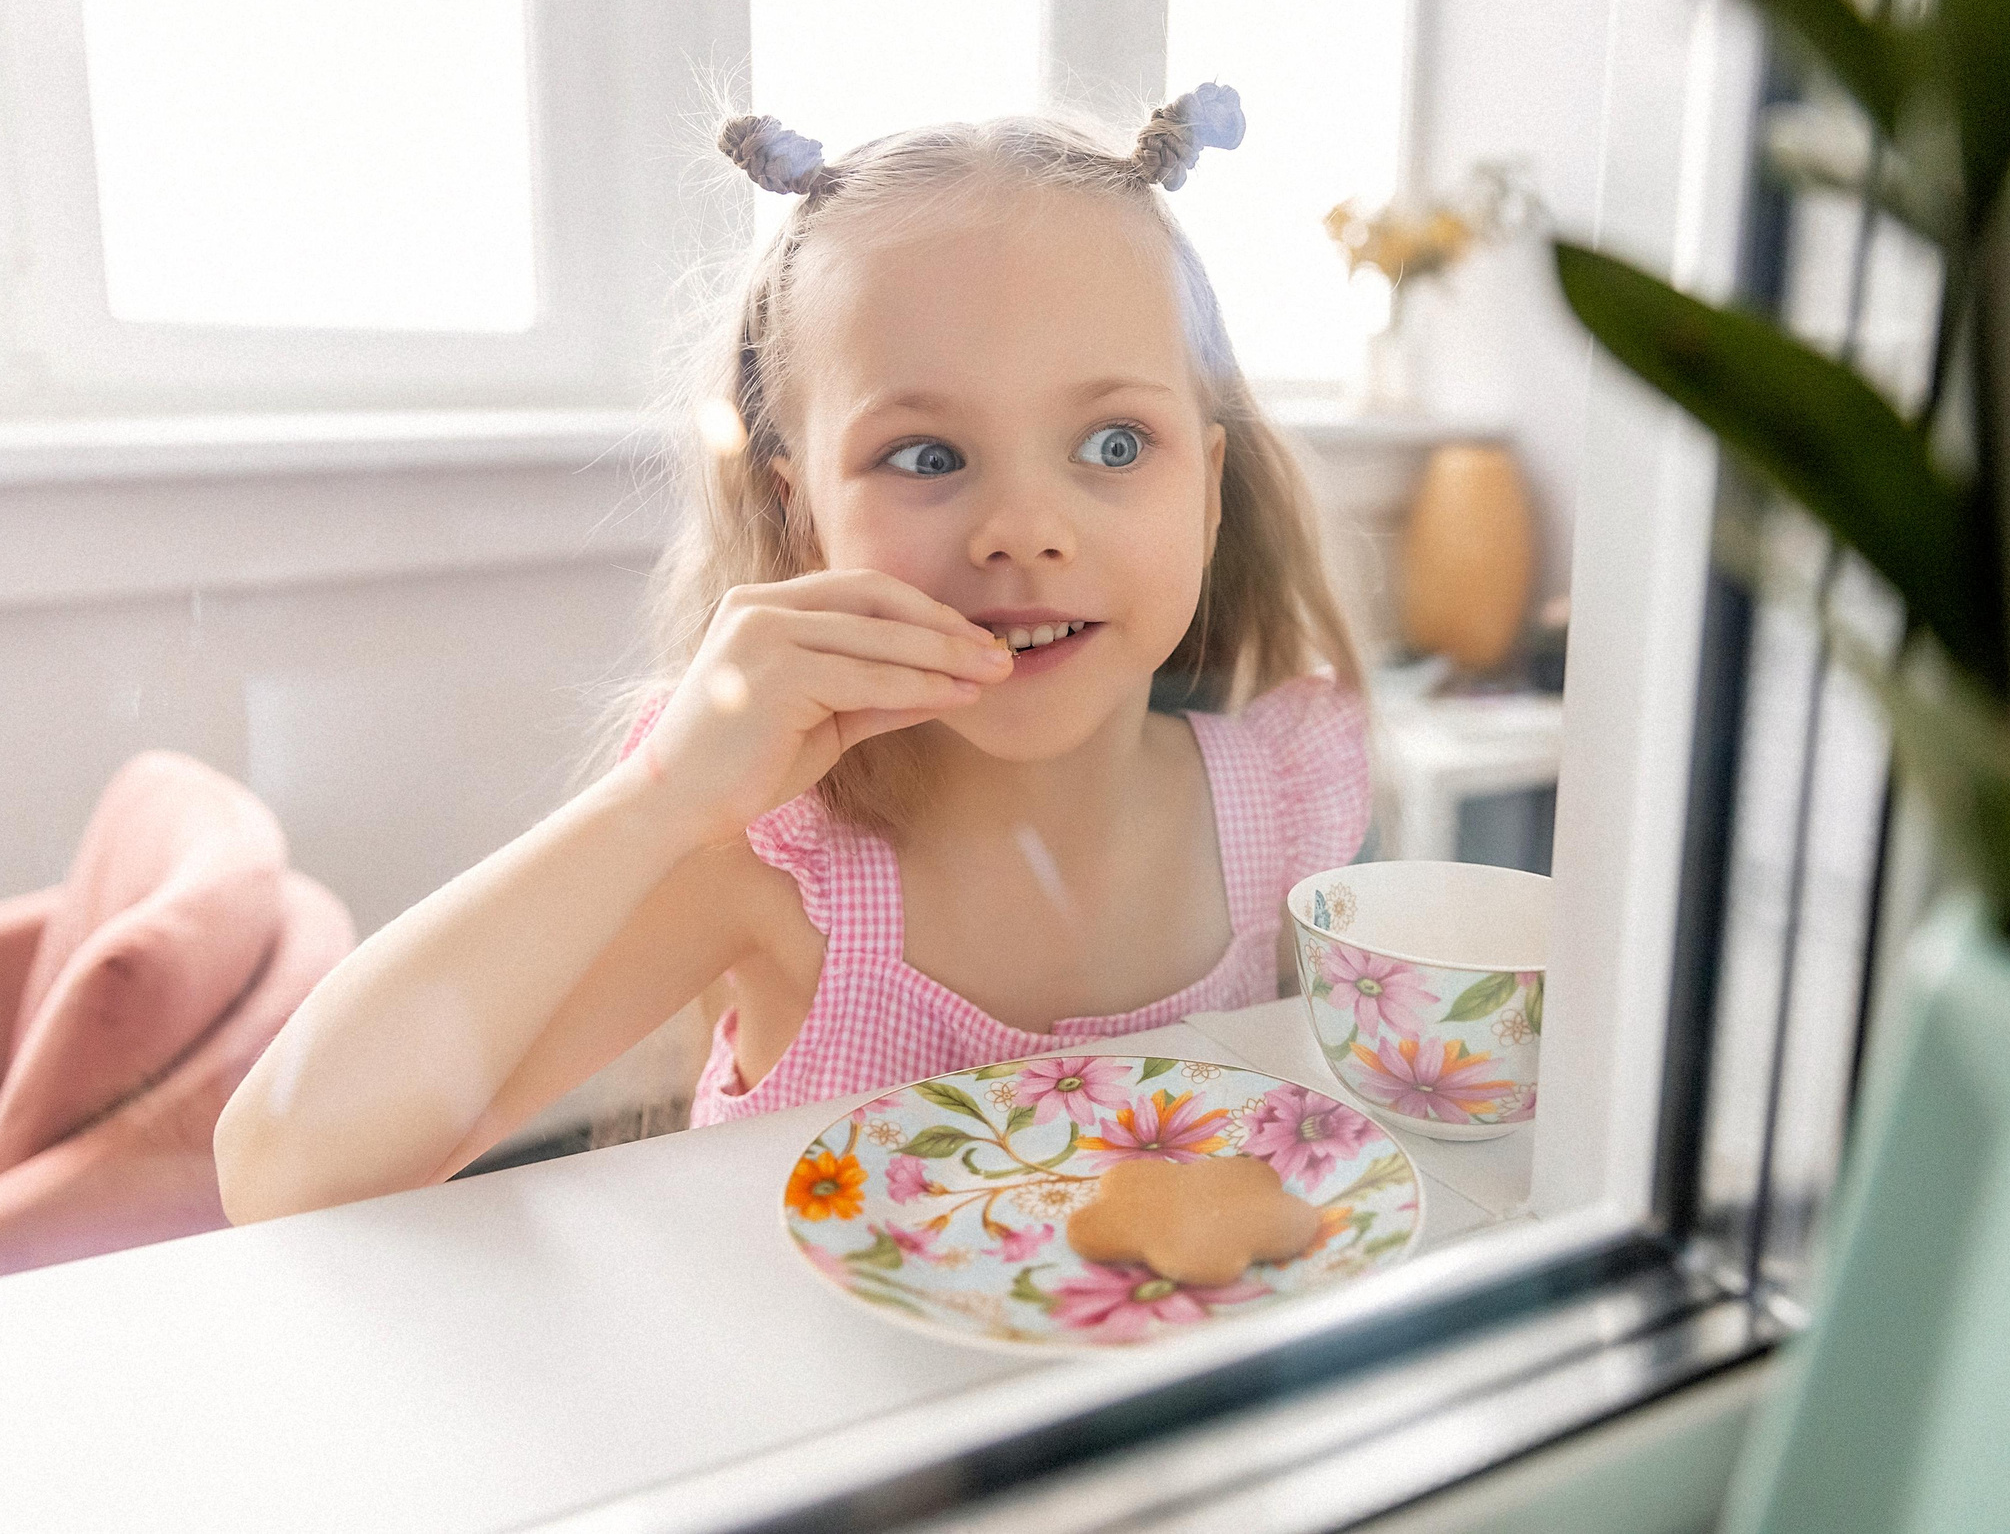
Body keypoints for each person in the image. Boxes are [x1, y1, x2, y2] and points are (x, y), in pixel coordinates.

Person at [214, 82, 1370, 1224]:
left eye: (1115, 443)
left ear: (1209, 492)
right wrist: (655, 800)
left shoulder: (1284, 801)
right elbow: (285, 1170)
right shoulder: (769, 864)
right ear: (801, 512)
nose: (1024, 526)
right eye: (924, 456)